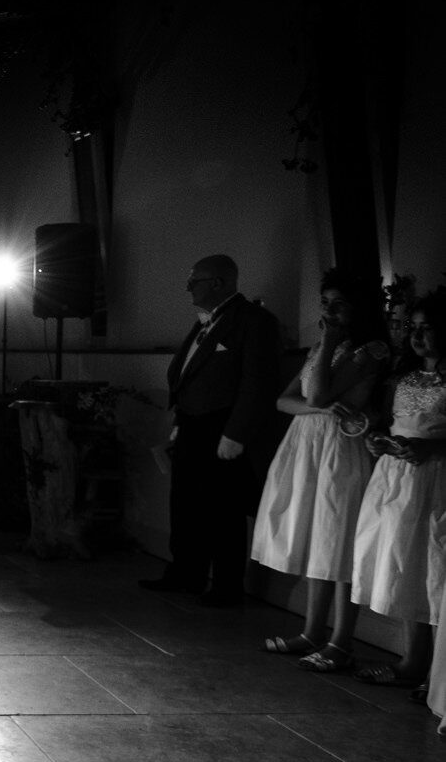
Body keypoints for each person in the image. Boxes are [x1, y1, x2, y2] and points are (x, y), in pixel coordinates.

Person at [249, 270, 389, 670]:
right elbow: (284, 400)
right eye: (325, 302)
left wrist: (327, 350)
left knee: (337, 541)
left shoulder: (372, 349)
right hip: (307, 445)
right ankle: (312, 631)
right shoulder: (321, 347)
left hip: (339, 449)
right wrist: (321, 406)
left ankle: (341, 641)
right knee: (315, 537)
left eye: (338, 303)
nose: (328, 310)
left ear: (358, 307)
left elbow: (317, 392)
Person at [141, 254, 282, 607]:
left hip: (222, 427)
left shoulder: (253, 321)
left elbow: (257, 382)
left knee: (223, 510)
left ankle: (226, 585)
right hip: (193, 423)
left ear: (218, 283)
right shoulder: (204, 323)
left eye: (195, 280)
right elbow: (190, 377)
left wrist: (236, 433)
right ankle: (186, 573)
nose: (189, 286)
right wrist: (179, 425)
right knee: (186, 504)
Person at [352, 290, 445, 688]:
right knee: (407, 565)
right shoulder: (403, 378)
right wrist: (378, 440)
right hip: (399, 479)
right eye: (413, 328)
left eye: (428, 329)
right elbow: (393, 423)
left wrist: (431, 446)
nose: (417, 336)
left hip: (437, 477)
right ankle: (412, 662)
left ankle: (438, 674)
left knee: (436, 567)